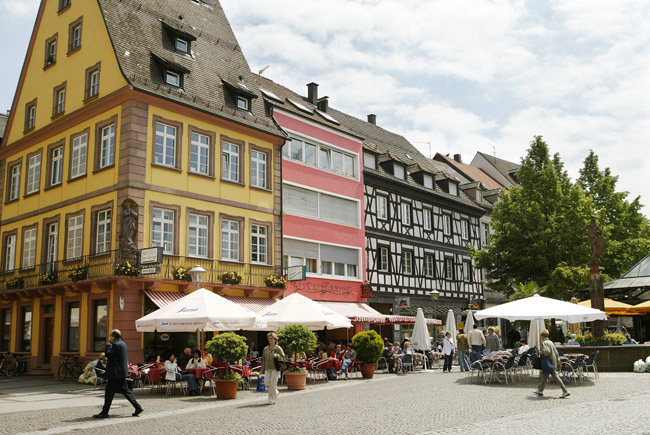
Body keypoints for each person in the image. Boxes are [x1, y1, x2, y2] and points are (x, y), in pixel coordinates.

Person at [94, 329, 143, 418]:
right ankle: (137, 407)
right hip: (120, 372)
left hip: (115, 373)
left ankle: (104, 412)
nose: (109, 338)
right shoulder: (123, 344)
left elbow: (108, 355)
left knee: (109, 392)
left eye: (110, 336)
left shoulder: (116, 345)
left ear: (113, 337)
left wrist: (108, 345)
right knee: (125, 391)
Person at [533, 329, 570, 399]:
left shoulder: (544, 343)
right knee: (544, 376)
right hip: (552, 362)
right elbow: (556, 353)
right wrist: (558, 362)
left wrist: (539, 352)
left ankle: (565, 391)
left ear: (542, 336)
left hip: (548, 362)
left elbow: (546, 352)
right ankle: (540, 390)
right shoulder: (551, 342)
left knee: (555, 377)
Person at [261, 332, 286, 405]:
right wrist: (262, 370)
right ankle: (276, 392)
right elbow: (263, 360)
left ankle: (272, 399)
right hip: (267, 368)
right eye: (269, 338)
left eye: (271, 338)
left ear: (275, 339)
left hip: (275, 368)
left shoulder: (278, 348)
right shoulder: (265, 349)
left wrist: (278, 356)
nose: (270, 340)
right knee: (266, 383)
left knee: (272, 384)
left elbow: (284, 358)